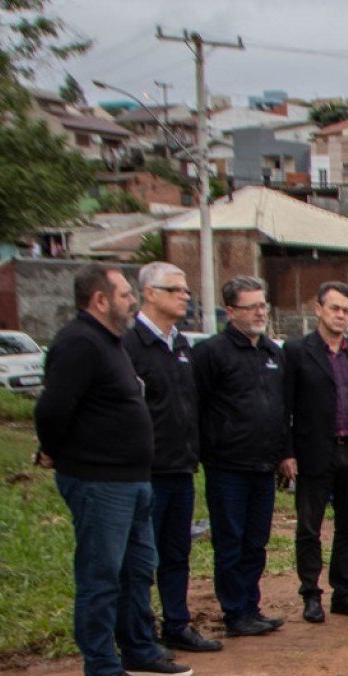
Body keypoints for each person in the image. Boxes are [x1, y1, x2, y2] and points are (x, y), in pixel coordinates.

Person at [33, 264, 192, 676]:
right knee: (101, 574)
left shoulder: (110, 342)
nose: (131, 300)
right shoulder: (79, 343)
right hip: (99, 481)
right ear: (100, 300)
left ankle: (139, 649)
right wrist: (57, 451)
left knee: (138, 569)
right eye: (124, 293)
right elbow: (51, 410)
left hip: (134, 479)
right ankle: (100, 665)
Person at [122, 261, 218, 654]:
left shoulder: (181, 345)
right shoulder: (130, 346)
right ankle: (137, 635)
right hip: (145, 472)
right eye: (176, 290)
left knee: (177, 553)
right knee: (142, 558)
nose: (185, 296)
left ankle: (176, 623)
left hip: (181, 467)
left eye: (186, 291)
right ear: (150, 293)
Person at [192, 275, 288, 636]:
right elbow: (196, 407)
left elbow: (282, 408)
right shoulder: (211, 353)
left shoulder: (272, 352)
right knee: (230, 540)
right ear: (231, 311)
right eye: (252, 307)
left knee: (255, 541)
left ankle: (251, 605)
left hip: (264, 464)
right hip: (227, 465)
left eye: (263, 305)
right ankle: (234, 612)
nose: (260, 312)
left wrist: (285, 453)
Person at [283, 281, 348, 622]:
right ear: (318, 309)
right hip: (314, 451)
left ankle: (344, 592)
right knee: (309, 527)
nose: (341, 316)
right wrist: (287, 452)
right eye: (334, 308)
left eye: (346, 310)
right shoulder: (297, 351)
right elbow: (284, 407)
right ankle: (310, 594)